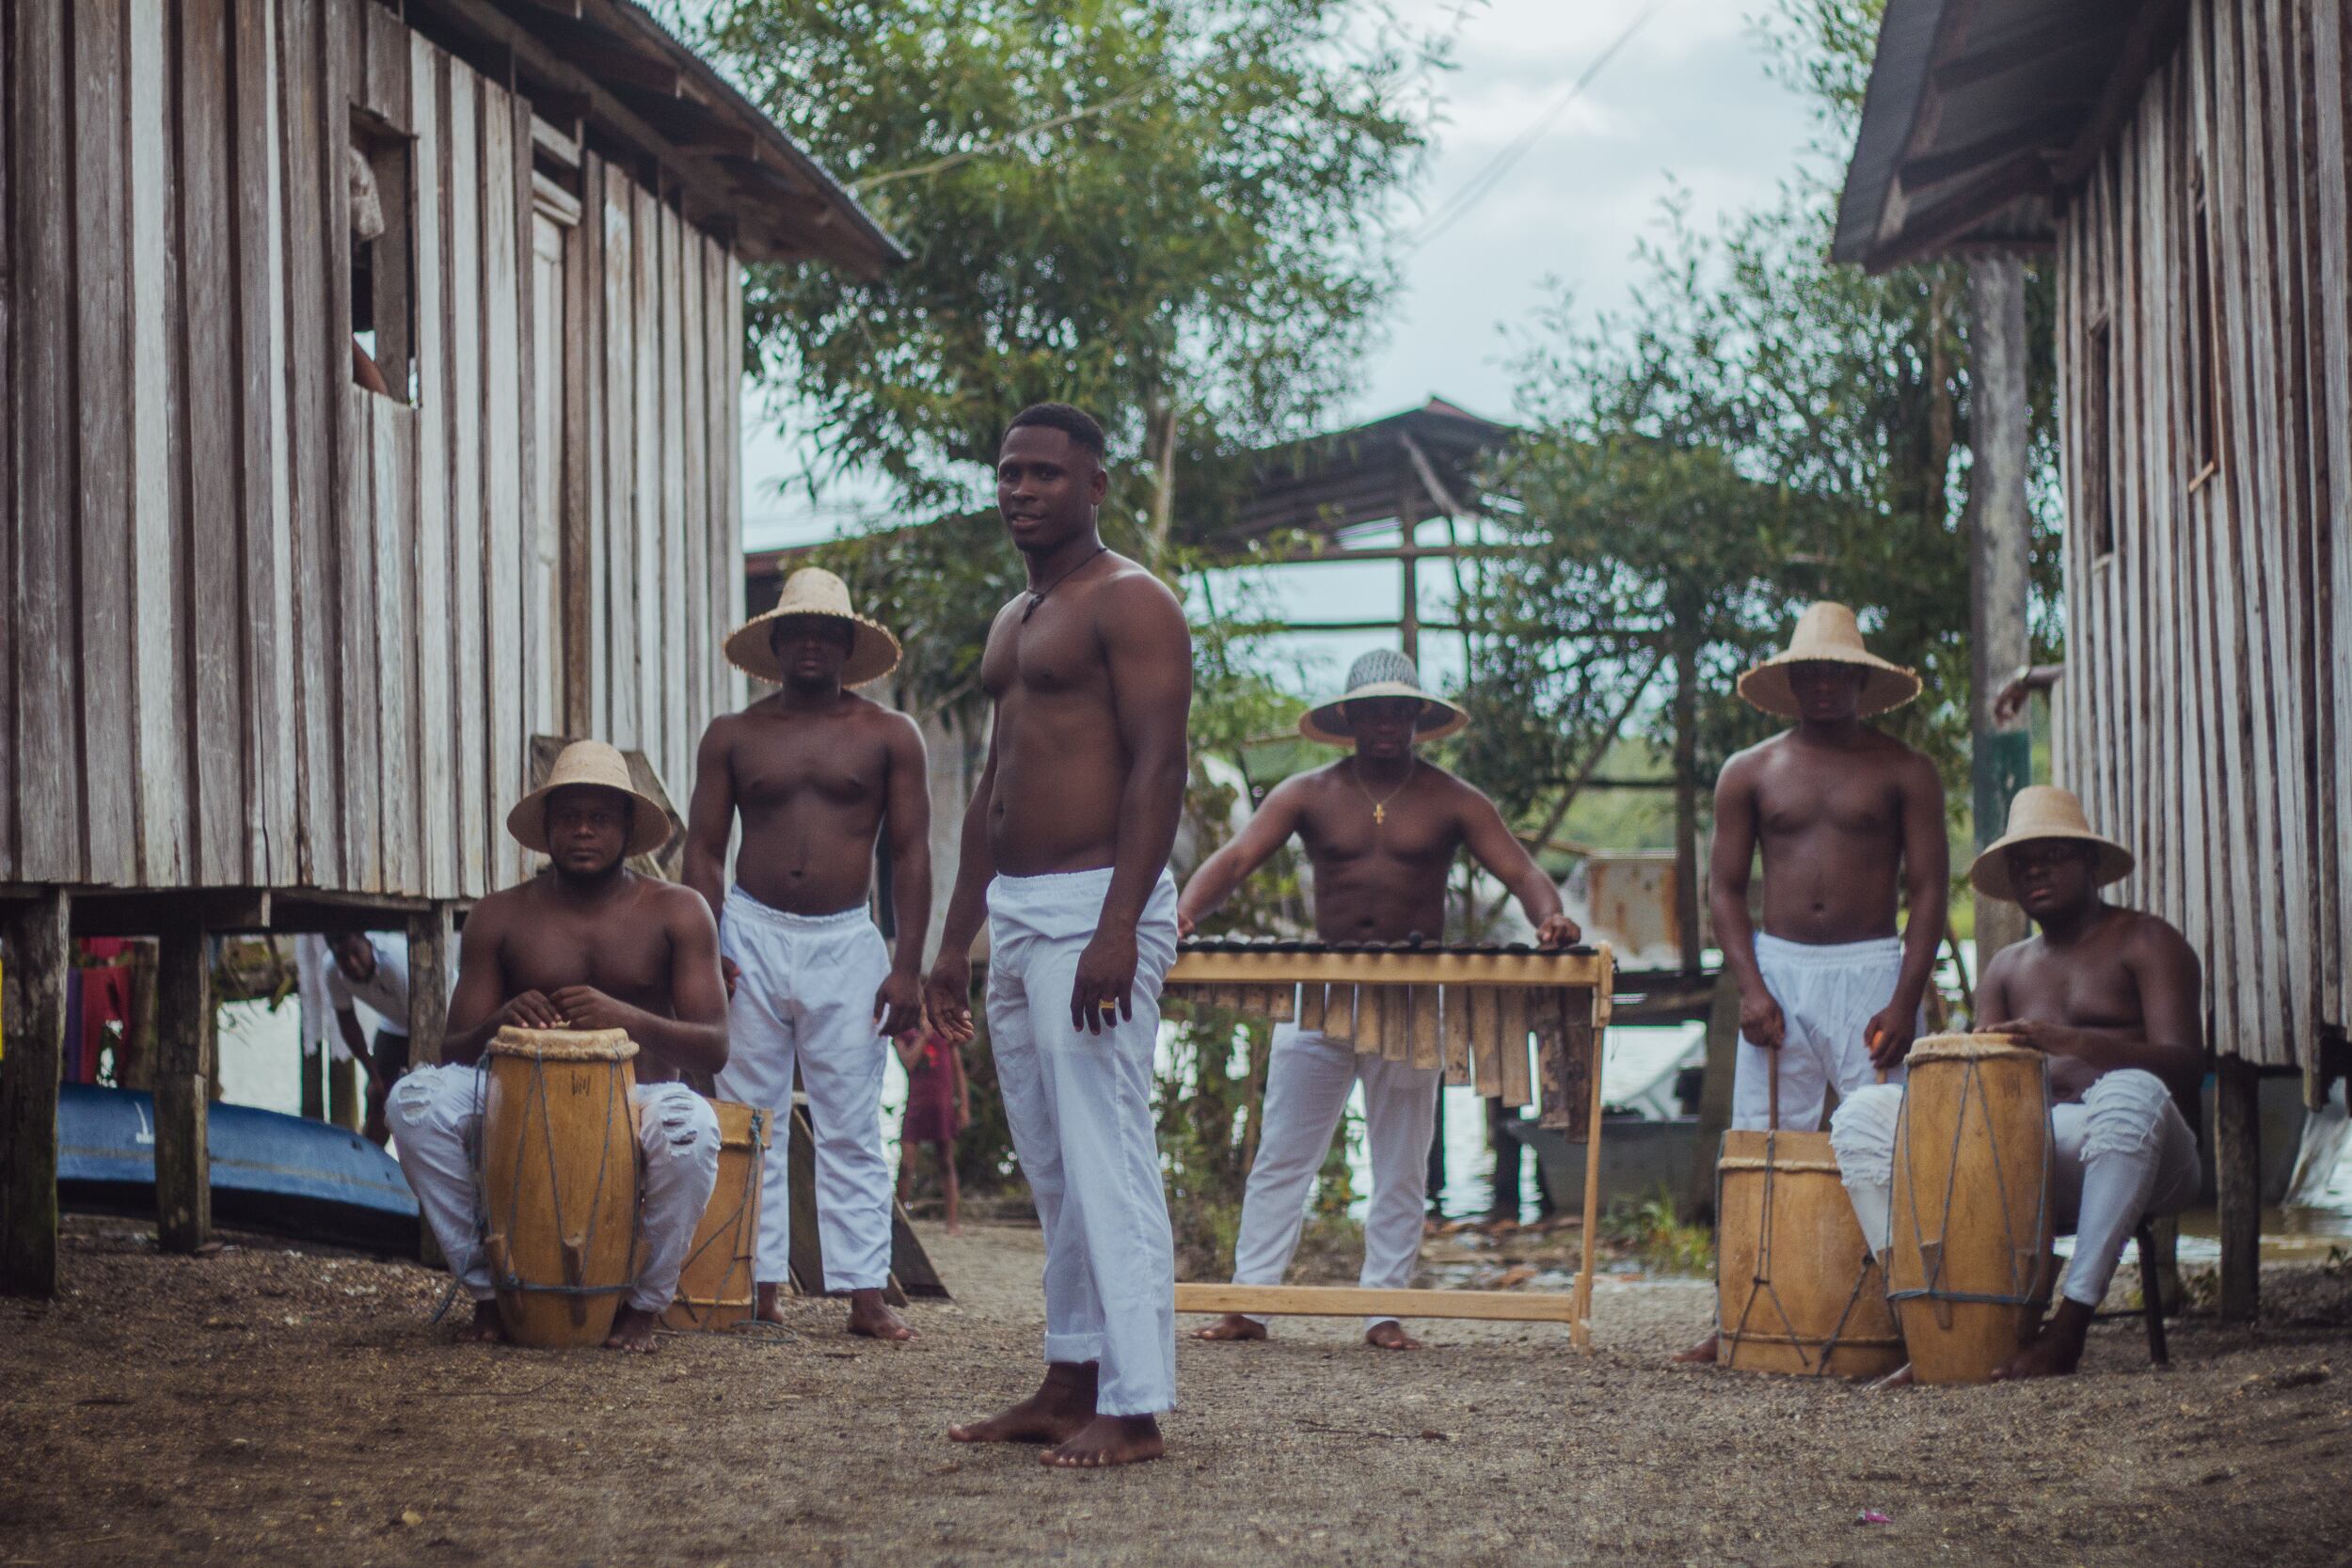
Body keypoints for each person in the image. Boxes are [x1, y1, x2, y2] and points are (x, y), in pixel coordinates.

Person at [926, 402, 1191, 1469]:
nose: (1019, 489)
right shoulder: (1014, 615)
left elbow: (1157, 764)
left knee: (1107, 1152)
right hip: (1019, 915)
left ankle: (1134, 1401)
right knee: (1053, 1163)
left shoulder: (1132, 601)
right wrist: (953, 938)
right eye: (1007, 471)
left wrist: (1120, 923)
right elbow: (994, 780)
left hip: (1096, 908)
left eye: (1042, 473)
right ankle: (1070, 1374)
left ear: (1094, 486)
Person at [1181, 649, 1581, 1352]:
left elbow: (1521, 870)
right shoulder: (1307, 793)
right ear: (1351, 719)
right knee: (1284, 1153)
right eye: (1374, 710)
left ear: (1419, 718)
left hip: (1411, 999)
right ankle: (1249, 1300)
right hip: (1321, 993)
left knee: (1402, 1159)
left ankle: (1384, 1308)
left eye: (1401, 709)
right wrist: (1182, 914)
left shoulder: (1455, 798)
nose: (1388, 723)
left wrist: (1550, 915)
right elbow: (1240, 857)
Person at [1831, 786, 2202, 1382]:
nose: (2036, 870)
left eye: (2052, 855)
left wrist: (2075, 1044)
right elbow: (1978, 1098)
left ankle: (2069, 1328)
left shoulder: (2148, 941)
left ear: (2090, 864)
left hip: (2146, 1152)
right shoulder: (2006, 966)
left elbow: (2186, 1071)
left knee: (2128, 1091)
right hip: (2026, 1162)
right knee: (1862, 1114)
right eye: (2023, 862)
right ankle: (1925, 1322)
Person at [1676, 602, 1947, 1365]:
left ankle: (1904, 1315)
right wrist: (1752, 986)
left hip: (1873, 968)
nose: (1825, 683)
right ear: (1792, 681)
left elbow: (1928, 888)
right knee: (1763, 1144)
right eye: (1811, 671)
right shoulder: (1750, 771)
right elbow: (1724, 888)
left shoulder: (1905, 769)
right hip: (1780, 969)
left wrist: (1904, 997)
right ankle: (1741, 1311)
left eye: (1839, 671)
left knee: (1887, 1138)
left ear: (1862, 679)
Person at [389, 740, 729, 1353]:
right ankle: (490, 1291)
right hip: (517, 1097)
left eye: (600, 817)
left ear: (628, 828)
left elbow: (714, 1049)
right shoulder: (500, 915)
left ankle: (642, 1305)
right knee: (414, 1102)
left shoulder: (680, 911)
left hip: (640, 1095)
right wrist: (501, 1019)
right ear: (546, 829)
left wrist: (624, 1017)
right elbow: (454, 1051)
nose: (582, 830)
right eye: (568, 815)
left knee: (694, 1130)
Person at [685, 567, 930, 1341]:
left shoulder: (890, 734)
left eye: (829, 631)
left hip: (846, 939)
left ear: (849, 644)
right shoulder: (734, 733)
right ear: (778, 643)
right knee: (748, 1113)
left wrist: (908, 961)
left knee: (852, 1117)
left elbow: (914, 853)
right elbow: (701, 848)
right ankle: (756, 1283)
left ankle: (863, 1290)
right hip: (748, 932)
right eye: (800, 631)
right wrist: (706, 944)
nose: (814, 643)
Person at [326, 930, 410, 1146]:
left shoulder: (396, 963)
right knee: (377, 1098)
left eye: (356, 952)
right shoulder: (332, 971)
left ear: (368, 942)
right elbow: (348, 1025)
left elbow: (424, 1021)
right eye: (343, 958)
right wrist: (374, 1076)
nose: (352, 963)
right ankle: (370, 1168)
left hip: (439, 1016)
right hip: (394, 1023)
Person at [895, 1027, 968, 1236]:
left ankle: (952, 1222)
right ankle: (899, 1220)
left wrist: (963, 1106)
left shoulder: (944, 1030)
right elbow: (908, 1063)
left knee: (946, 1162)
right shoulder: (905, 1033)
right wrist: (924, 1036)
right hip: (916, 1106)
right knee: (906, 1163)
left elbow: (958, 1071)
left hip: (942, 1107)